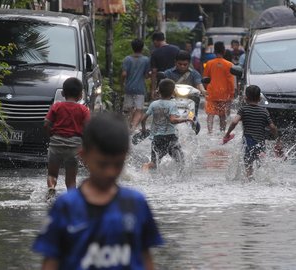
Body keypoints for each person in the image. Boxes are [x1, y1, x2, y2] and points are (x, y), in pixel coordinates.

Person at [33, 112, 164, 270]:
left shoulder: (136, 204)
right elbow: (50, 263)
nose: (110, 172)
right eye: (102, 164)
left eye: (117, 164)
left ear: (125, 157)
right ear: (83, 156)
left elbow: (146, 259)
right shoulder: (66, 206)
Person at [44, 77, 90, 199]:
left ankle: (51, 187)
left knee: (52, 174)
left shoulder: (56, 106)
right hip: (74, 147)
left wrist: (51, 135)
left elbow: (46, 123)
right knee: (71, 180)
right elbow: (88, 128)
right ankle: (72, 199)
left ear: (63, 93)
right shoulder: (83, 109)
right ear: (80, 95)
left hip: (56, 143)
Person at [223, 85, 279, 179]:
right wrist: (277, 139)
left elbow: (234, 122)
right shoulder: (264, 111)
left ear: (245, 98)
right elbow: (272, 127)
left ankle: (249, 184)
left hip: (248, 142)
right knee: (260, 164)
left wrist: (227, 134)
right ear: (260, 98)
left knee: (248, 166)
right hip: (260, 143)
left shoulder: (243, 109)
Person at [141, 79, 193, 170]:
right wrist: (186, 119)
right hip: (170, 137)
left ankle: (144, 170)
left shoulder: (153, 104)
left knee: (154, 163)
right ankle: (179, 179)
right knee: (180, 160)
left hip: (156, 138)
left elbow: (143, 119)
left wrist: (144, 129)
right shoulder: (171, 104)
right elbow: (172, 120)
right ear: (173, 92)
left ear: (159, 91)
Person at [203, 41, 235, 134]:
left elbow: (205, 78)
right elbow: (230, 81)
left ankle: (210, 132)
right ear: (224, 51)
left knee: (210, 114)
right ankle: (222, 132)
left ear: (214, 51)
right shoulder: (228, 64)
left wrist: (206, 89)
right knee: (222, 115)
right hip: (223, 93)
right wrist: (232, 93)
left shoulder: (209, 63)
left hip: (211, 92)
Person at [121, 39, 151, 132]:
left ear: (132, 47)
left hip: (129, 88)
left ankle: (127, 126)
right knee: (139, 109)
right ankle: (133, 127)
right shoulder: (146, 60)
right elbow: (146, 75)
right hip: (140, 88)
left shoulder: (127, 59)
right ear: (142, 48)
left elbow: (124, 74)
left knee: (128, 108)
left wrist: (122, 83)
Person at [150, 32, 180, 97]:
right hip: (177, 83)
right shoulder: (176, 49)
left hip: (162, 84)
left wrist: (153, 90)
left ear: (155, 41)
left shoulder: (155, 53)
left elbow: (154, 72)